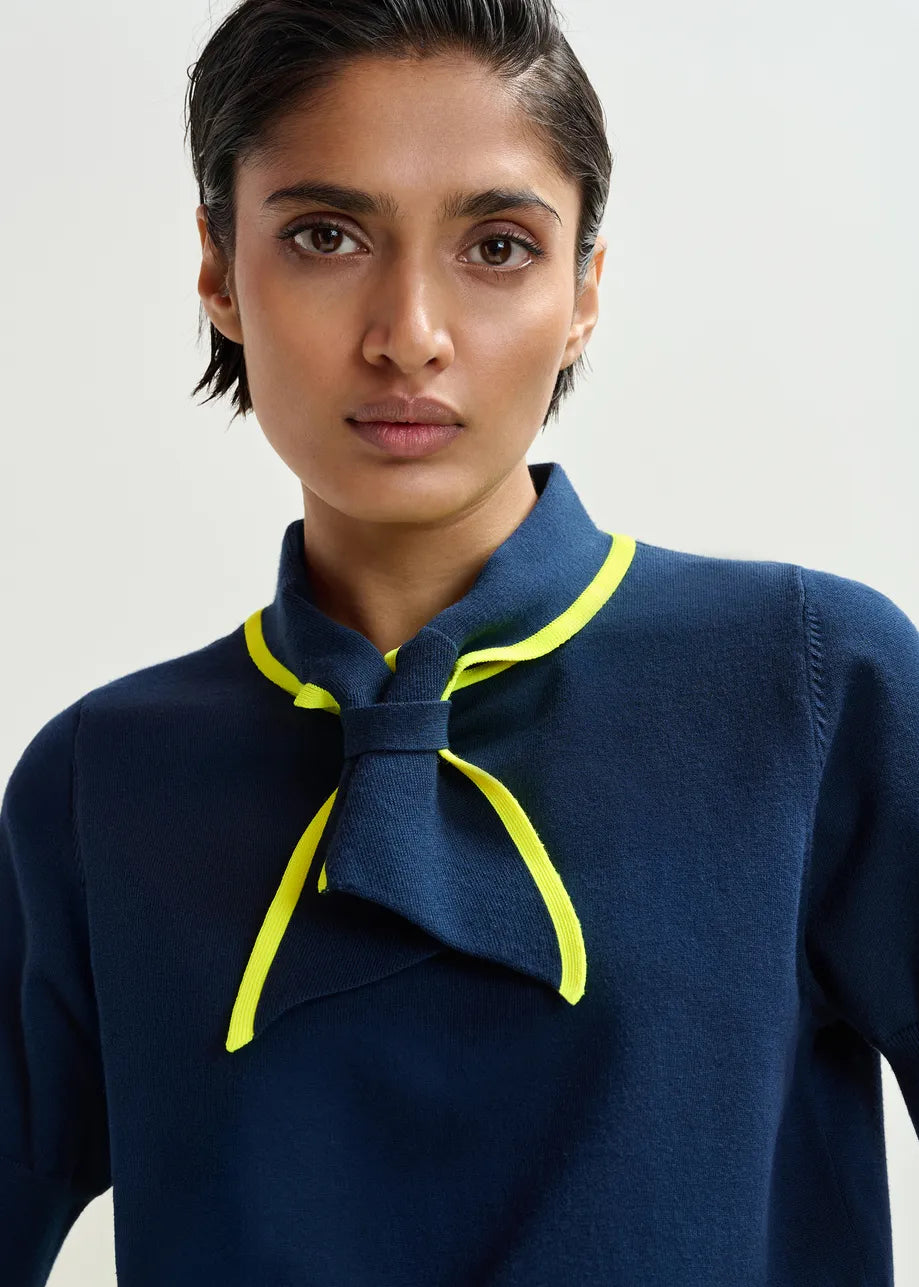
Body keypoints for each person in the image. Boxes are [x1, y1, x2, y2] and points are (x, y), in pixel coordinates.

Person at [2, 1, 917, 1283]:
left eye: (497, 247)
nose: (410, 335)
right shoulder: (100, 779)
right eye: (324, 236)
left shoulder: (812, 685)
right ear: (217, 269)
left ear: (583, 289)